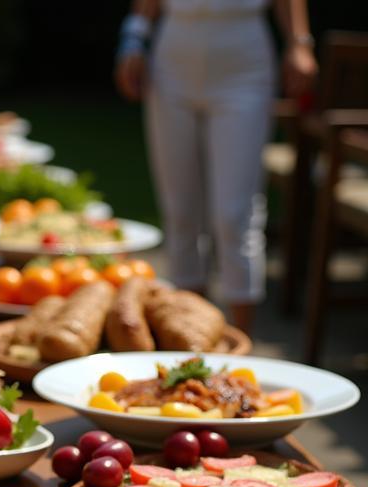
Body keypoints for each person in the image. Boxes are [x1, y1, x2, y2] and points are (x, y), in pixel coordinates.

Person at [114, 0, 317, 333]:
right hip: (173, 58)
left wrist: (299, 42)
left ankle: (242, 344)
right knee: (180, 211)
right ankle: (189, 339)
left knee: (235, 214)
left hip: (242, 58)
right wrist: (133, 39)